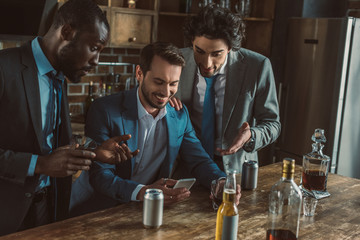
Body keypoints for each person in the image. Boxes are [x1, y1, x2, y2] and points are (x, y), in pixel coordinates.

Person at [0, 0, 128, 236]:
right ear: (67, 32)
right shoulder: (4, 68)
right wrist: (40, 164)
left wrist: (94, 152)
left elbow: (51, 146)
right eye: (94, 47)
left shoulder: (59, 75)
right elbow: (44, 158)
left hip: (49, 210)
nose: (96, 60)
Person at [69, 42, 240, 216]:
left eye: (173, 84)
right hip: (96, 210)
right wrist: (144, 192)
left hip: (147, 211)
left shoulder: (180, 115)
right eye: (159, 82)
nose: (166, 92)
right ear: (139, 74)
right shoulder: (104, 110)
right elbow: (100, 175)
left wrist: (221, 181)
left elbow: (199, 160)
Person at [170, 4, 281, 173]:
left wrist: (251, 136)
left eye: (216, 54)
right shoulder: (177, 60)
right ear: (192, 41)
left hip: (235, 169)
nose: (207, 63)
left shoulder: (257, 66)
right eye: (199, 51)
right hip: (185, 166)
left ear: (230, 48)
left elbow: (273, 124)